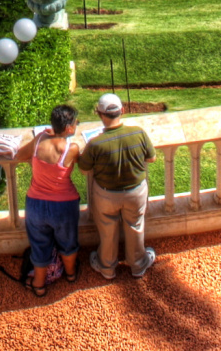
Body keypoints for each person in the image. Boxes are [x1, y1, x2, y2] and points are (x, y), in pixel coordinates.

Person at [77, 92, 156, 279]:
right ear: (122, 110)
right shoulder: (138, 133)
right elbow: (151, 158)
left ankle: (107, 268)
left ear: (99, 114)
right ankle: (138, 266)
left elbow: (83, 169)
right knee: (135, 226)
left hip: (106, 195)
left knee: (107, 230)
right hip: (135, 192)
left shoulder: (95, 143)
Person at [12, 104, 82, 295]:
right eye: (76, 123)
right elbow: (83, 167)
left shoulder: (40, 139)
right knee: (68, 242)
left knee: (39, 243)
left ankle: (39, 285)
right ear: (69, 128)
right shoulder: (72, 148)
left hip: (36, 204)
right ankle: (70, 275)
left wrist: (45, 136)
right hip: (64, 205)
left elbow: (20, 155)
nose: (76, 125)